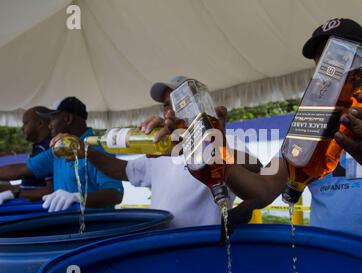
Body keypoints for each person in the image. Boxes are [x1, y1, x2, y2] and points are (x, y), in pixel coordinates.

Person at [204, 19, 362, 273]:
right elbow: (265, 188)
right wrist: (213, 153)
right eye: (320, 60)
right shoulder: (308, 122)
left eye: (338, 56)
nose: (327, 68)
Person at [51, 76, 262, 228]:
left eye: (178, 104)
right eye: (165, 106)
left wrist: (203, 143)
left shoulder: (225, 142)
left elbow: (258, 171)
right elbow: (125, 170)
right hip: (162, 246)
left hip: (204, 248)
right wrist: (86, 151)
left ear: (198, 105)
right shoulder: (161, 147)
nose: (169, 112)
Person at [0, 97, 124, 212]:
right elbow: (23, 169)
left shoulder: (98, 148)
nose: (49, 125)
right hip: (65, 226)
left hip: (97, 229)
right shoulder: (59, 148)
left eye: (53, 118)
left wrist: (78, 197)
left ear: (68, 119)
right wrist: (14, 192)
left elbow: (115, 194)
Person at [0, 106, 53, 204]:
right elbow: (36, 185)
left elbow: (51, 190)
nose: (22, 128)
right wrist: (11, 188)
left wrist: (15, 192)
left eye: (25, 123)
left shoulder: (48, 148)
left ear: (40, 123)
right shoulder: (40, 147)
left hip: (36, 211)